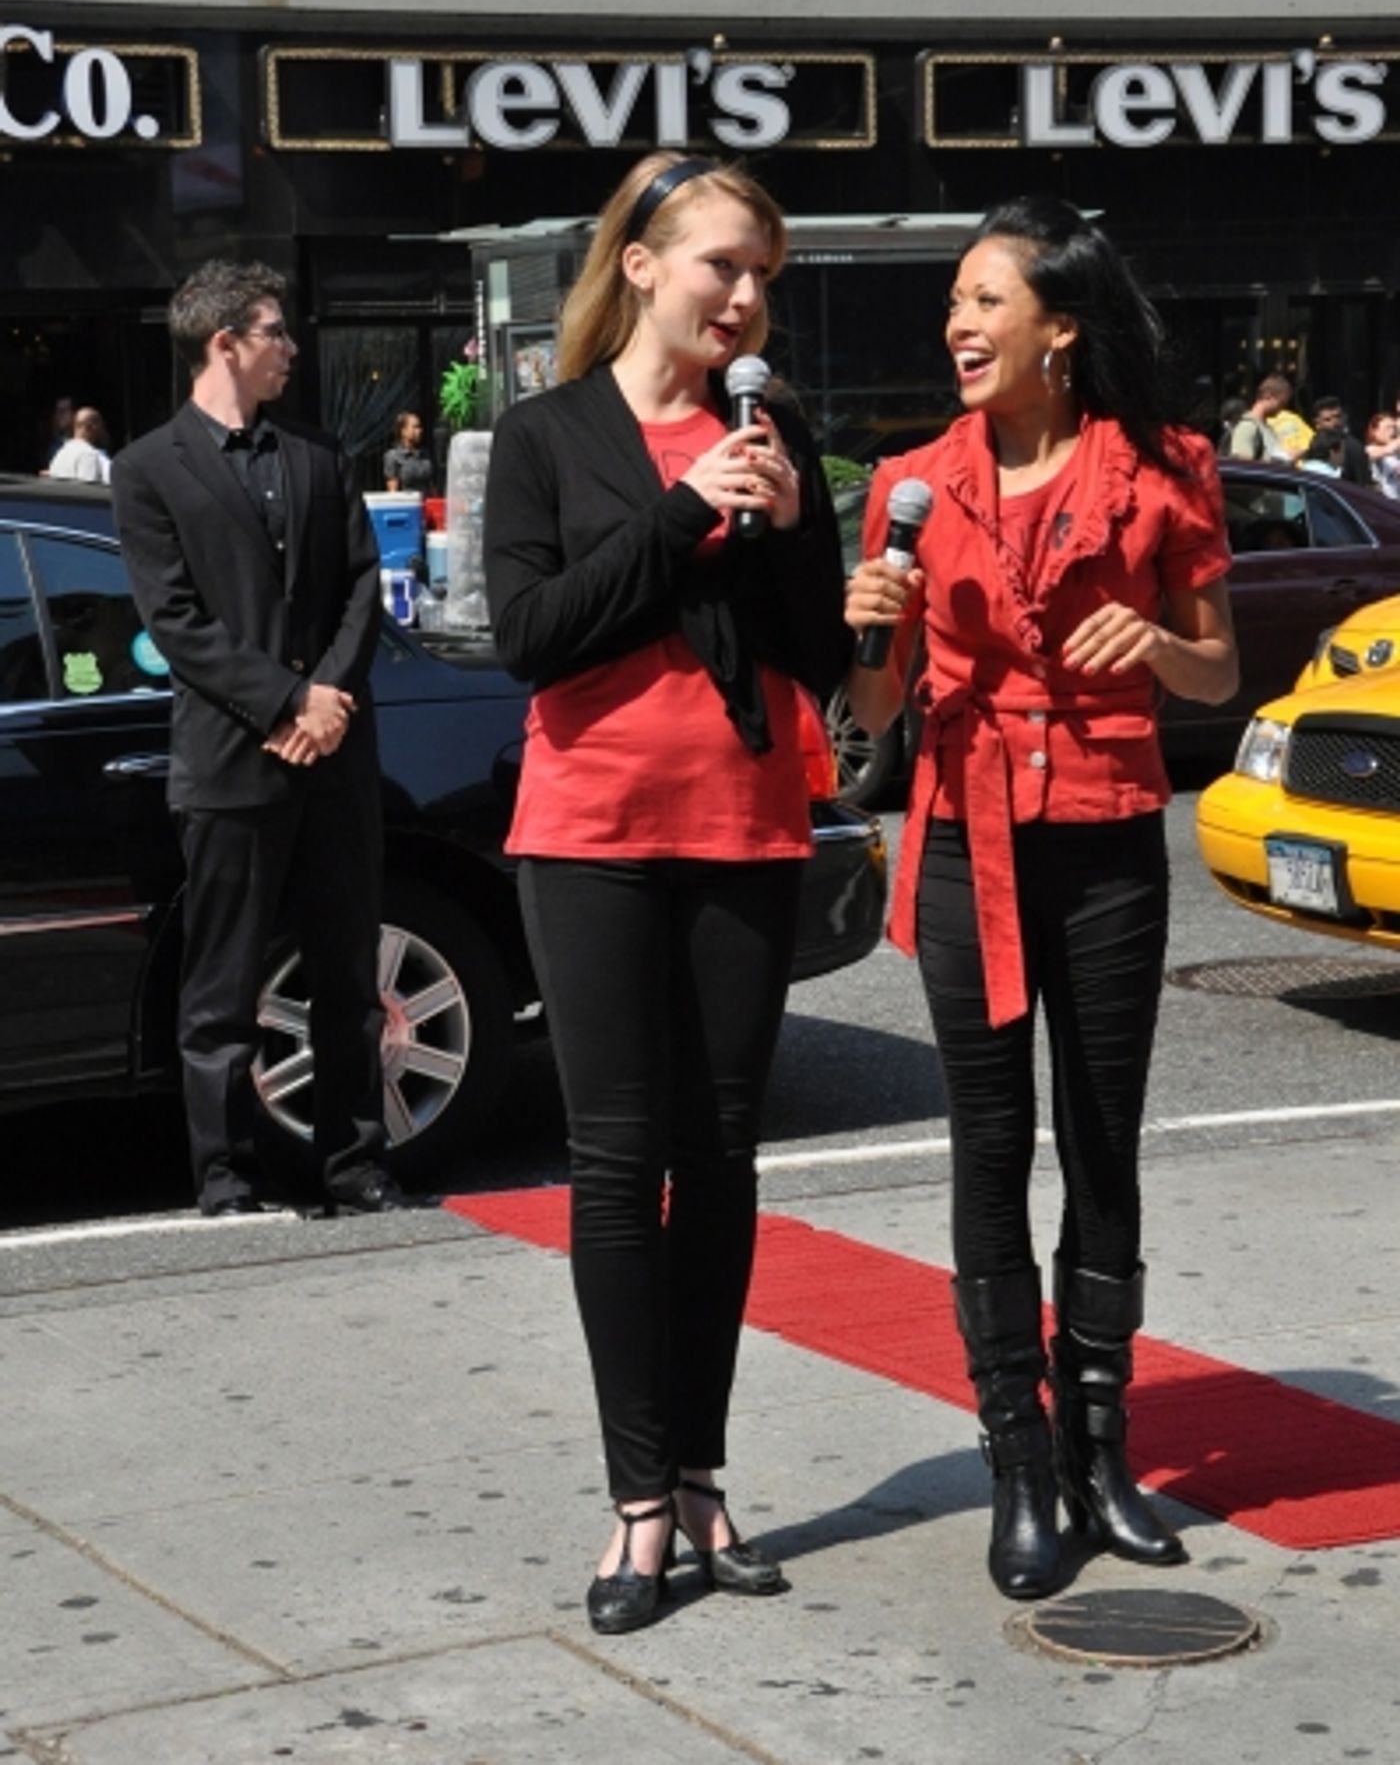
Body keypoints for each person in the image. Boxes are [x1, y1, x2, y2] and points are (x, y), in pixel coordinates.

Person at [845, 198, 1238, 1602]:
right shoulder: (912, 478)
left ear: (1059, 324)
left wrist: (1162, 649)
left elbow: (1218, 671)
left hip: (1109, 832)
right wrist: (872, 631)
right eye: (954, 300)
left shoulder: (1164, 469)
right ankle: (1018, 1456)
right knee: (989, 1143)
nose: (959, 321)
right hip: (965, 841)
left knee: (1105, 1139)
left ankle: (1101, 1443)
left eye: (985, 299)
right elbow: (875, 713)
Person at [484, 152, 851, 1635]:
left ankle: (704, 1472)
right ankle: (639, 1499)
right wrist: (686, 513)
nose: (746, 297)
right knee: (621, 1161)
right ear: (639, 264)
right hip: (588, 830)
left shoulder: (776, 428)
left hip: (745, 826)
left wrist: (771, 530)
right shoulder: (545, 433)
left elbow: (817, 652)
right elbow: (534, 636)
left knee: (726, 1157)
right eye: (722, 266)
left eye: (763, 273)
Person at [111, 261, 407, 1220]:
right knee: (222, 990)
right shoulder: (149, 467)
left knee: (346, 978)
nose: (292, 347)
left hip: (336, 760)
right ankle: (226, 1174)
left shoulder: (318, 454)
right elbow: (178, 622)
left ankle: (355, 1161)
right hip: (233, 763)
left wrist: (326, 701)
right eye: (275, 332)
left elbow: (364, 584)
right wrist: (286, 703)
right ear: (224, 343)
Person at [1228, 376, 1295, 462]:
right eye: (1282, 403)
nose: (1282, 408)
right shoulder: (1247, 427)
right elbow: (1243, 465)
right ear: (1268, 396)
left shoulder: (1268, 429)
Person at [1308, 397, 1370, 485]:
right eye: (1327, 420)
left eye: (1337, 417)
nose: (1335, 423)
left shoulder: (1353, 447)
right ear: (1317, 424)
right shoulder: (1314, 443)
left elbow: (1363, 483)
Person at [48, 406, 112, 483]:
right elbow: (90, 492)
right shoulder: (89, 454)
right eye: (101, 426)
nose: (102, 431)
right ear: (90, 427)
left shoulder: (60, 453)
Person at [383, 410, 434, 494]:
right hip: (407, 504)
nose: (420, 431)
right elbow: (393, 492)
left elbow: (431, 485)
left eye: (420, 427)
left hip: (426, 503)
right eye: (415, 427)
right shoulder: (393, 456)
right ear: (403, 431)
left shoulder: (425, 454)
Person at [1365, 411, 1400, 500]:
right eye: (1388, 428)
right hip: (1385, 504)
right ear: (1375, 431)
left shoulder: (1396, 453)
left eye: (1394, 427)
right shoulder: (1371, 449)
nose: (1393, 431)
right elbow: (1388, 450)